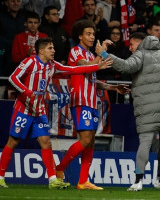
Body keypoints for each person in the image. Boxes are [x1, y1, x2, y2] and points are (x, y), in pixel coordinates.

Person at [0, 37, 111, 189]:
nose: (54, 50)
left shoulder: (52, 65)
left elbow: (73, 70)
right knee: (13, 141)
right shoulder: (30, 62)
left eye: (53, 48)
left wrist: (96, 67)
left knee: (46, 142)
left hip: (39, 111)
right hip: (23, 109)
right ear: (41, 51)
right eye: (50, 48)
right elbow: (13, 78)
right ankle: (0, 177)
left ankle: (53, 179)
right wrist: (26, 91)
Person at [97, 33, 160, 191]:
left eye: (131, 44)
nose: (129, 48)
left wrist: (103, 54)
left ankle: (138, 181)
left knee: (145, 142)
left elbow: (124, 66)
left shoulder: (140, 55)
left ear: (140, 43)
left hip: (147, 109)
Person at [55, 20, 129, 190]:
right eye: (88, 34)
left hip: (92, 102)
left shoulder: (90, 55)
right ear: (79, 36)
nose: (91, 36)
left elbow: (94, 79)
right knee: (85, 139)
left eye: (93, 34)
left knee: (91, 142)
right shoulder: (76, 52)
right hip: (80, 100)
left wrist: (113, 87)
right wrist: (100, 54)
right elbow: (85, 67)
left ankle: (83, 181)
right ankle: (59, 168)